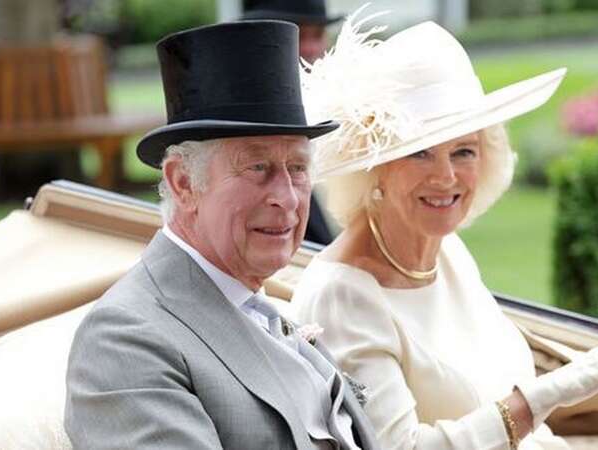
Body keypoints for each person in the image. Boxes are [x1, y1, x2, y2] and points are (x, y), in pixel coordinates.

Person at [292, 15, 598, 450]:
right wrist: (551, 392)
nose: (446, 177)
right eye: (420, 153)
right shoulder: (344, 296)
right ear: (374, 166)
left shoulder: (448, 252)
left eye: (464, 152)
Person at [64, 20, 380, 450]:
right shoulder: (126, 339)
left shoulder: (263, 308)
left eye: (298, 168)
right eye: (257, 168)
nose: (287, 198)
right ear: (183, 183)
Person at [241, 0, 344, 244]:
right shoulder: (236, 125)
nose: (309, 48)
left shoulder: (348, 114)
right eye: (295, 33)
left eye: (317, 34)